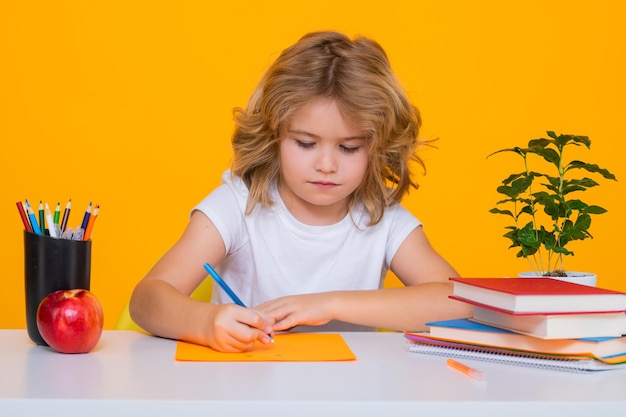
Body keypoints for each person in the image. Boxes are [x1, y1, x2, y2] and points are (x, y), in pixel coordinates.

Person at [129, 31, 471, 352]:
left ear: (378, 146)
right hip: (245, 390)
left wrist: (327, 303)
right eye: (306, 143)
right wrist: (206, 323)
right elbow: (146, 300)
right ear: (274, 134)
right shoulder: (237, 205)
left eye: (349, 148)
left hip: (349, 396)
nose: (326, 164)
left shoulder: (383, 219)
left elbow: (460, 303)